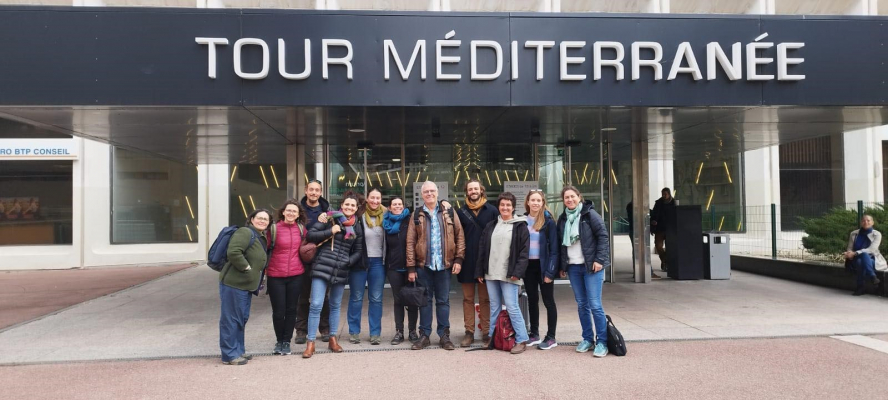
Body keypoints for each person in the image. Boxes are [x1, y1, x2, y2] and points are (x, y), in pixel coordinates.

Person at [302, 194, 364, 358]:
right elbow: (311, 235)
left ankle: (332, 339)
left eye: (353, 206)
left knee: (335, 305)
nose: (349, 208)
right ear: (341, 206)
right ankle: (310, 342)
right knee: (316, 304)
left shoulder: (357, 226)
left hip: (341, 269)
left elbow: (358, 250)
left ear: (356, 209)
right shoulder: (329, 218)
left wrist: (348, 261)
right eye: (347, 204)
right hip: (322, 266)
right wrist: (331, 230)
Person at [406, 181, 465, 350]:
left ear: (438, 193)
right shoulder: (417, 214)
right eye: (426, 192)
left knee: (443, 301)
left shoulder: (449, 212)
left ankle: (444, 336)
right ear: (422, 194)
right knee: (424, 302)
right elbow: (410, 242)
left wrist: (459, 259)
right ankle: (424, 335)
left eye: (432, 191)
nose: (429, 194)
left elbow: (460, 236)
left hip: (444, 266)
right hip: (424, 266)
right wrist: (411, 267)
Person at [557, 186, 610, 358]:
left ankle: (602, 341)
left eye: (572, 196)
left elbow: (603, 236)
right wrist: (562, 266)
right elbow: (561, 244)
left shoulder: (589, 214)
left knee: (595, 304)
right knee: (582, 304)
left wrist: (599, 260)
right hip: (573, 267)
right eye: (566, 197)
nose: (570, 200)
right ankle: (588, 339)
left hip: (591, 266)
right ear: (563, 200)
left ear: (579, 197)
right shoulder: (563, 218)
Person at [476, 192, 530, 354]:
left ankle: (521, 339)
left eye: (508, 205)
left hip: (510, 274)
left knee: (512, 307)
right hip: (491, 273)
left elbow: (524, 252)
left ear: (513, 207)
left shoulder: (520, 226)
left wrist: (517, 272)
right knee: (494, 307)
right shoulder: (491, 225)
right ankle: (493, 337)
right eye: (502, 205)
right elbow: (482, 249)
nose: (505, 207)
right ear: (498, 207)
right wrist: (480, 271)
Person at [218, 208, 272, 365]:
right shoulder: (245, 232)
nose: (262, 221)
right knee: (231, 319)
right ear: (252, 219)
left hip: (245, 285)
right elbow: (234, 252)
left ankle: (239, 350)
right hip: (234, 283)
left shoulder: (259, 235)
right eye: (259, 218)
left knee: (241, 318)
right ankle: (229, 354)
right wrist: (247, 268)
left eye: (266, 219)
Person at [455, 179, 497, 347]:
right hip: (467, 261)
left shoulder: (492, 210)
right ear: (467, 191)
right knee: (467, 299)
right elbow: (457, 236)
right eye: (470, 189)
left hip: (486, 262)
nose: (473, 191)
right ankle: (469, 332)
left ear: (481, 190)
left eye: (476, 188)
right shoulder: (460, 212)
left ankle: (486, 332)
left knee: (486, 299)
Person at [266, 199, 307, 356]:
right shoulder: (274, 229)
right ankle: (278, 341)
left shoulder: (301, 230)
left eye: (294, 211)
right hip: (276, 275)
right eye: (288, 210)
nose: (291, 213)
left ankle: (286, 342)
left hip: (296, 275)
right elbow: (266, 249)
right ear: (283, 212)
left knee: (291, 310)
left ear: (298, 215)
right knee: (278, 311)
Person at [348, 188, 387, 345]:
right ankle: (354, 332)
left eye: (378, 198)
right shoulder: (358, 216)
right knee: (356, 297)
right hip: (360, 261)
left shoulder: (386, 215)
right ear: (367, 199)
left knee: (376, 299)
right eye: (372, 198)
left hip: (378, 262)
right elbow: (341, 215)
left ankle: (375, 333)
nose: (375, 201)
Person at [295, 179, 331, 344]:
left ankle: (324, 328)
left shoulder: (327, 211)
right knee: (302, 296)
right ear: (305, 190)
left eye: (317, 190)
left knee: (323, 296)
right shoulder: (298, 211)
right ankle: (301, 330)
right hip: (301, 258)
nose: (314, 193)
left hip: (322, 257)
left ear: (321, 192)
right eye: (311, 190)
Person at [523, 189, 560, 349]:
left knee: (548, 301)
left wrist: (550, 272)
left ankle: (551, 337)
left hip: (543, 266)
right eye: (533, 200)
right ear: (528, 202)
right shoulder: (522, 221)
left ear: (543, 203)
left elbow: (554, 250)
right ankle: (534, 334)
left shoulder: (549, 222)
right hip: (528, 267)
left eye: (539, 200)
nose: (536, 203)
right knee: (532, 300)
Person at [383, 196, 419, 345]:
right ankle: (399, 332)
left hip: (410, 267)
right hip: (393, 267)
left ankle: (412, 331)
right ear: (390, 207)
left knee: (412, 300)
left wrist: (414, 267)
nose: (397, 206)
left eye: (400, 204)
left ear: (404, 206)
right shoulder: (385, 223)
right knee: (398, 300)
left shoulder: (410, 220)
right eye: (394, 204)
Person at [844, 214, 885, 296]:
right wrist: (849, 253)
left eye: (868, 220)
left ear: (872, 222)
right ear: (861, 222)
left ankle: (860, 288)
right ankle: (873, 277)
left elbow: (871, 249)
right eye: (863, 220)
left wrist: (856, 252)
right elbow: (850, 247)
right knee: (860, 259)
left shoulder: (877, 234)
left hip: (872, 260)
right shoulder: (854, 233)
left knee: (862, 259)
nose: (865, 222)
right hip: (855, 258)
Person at [628, 201, 660, 280]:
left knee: (637, 251)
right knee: (644, 251)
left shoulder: (630, 206)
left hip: (634, 230)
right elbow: (646, 214)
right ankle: (649, 272)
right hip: (639, 230)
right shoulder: (635, 207)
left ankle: (637, 272)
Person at [650, 188, 675, 272]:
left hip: (670, 229)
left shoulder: (674, 203)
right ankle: (665, 260)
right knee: (658, 246)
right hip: (659, 228)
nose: (664, 196)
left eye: (665, 194)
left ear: (669, 194)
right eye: (662, 194)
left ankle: (665, 263)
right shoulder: (658, 203)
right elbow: (653, 214)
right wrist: (653, 222)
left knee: (670, 247)